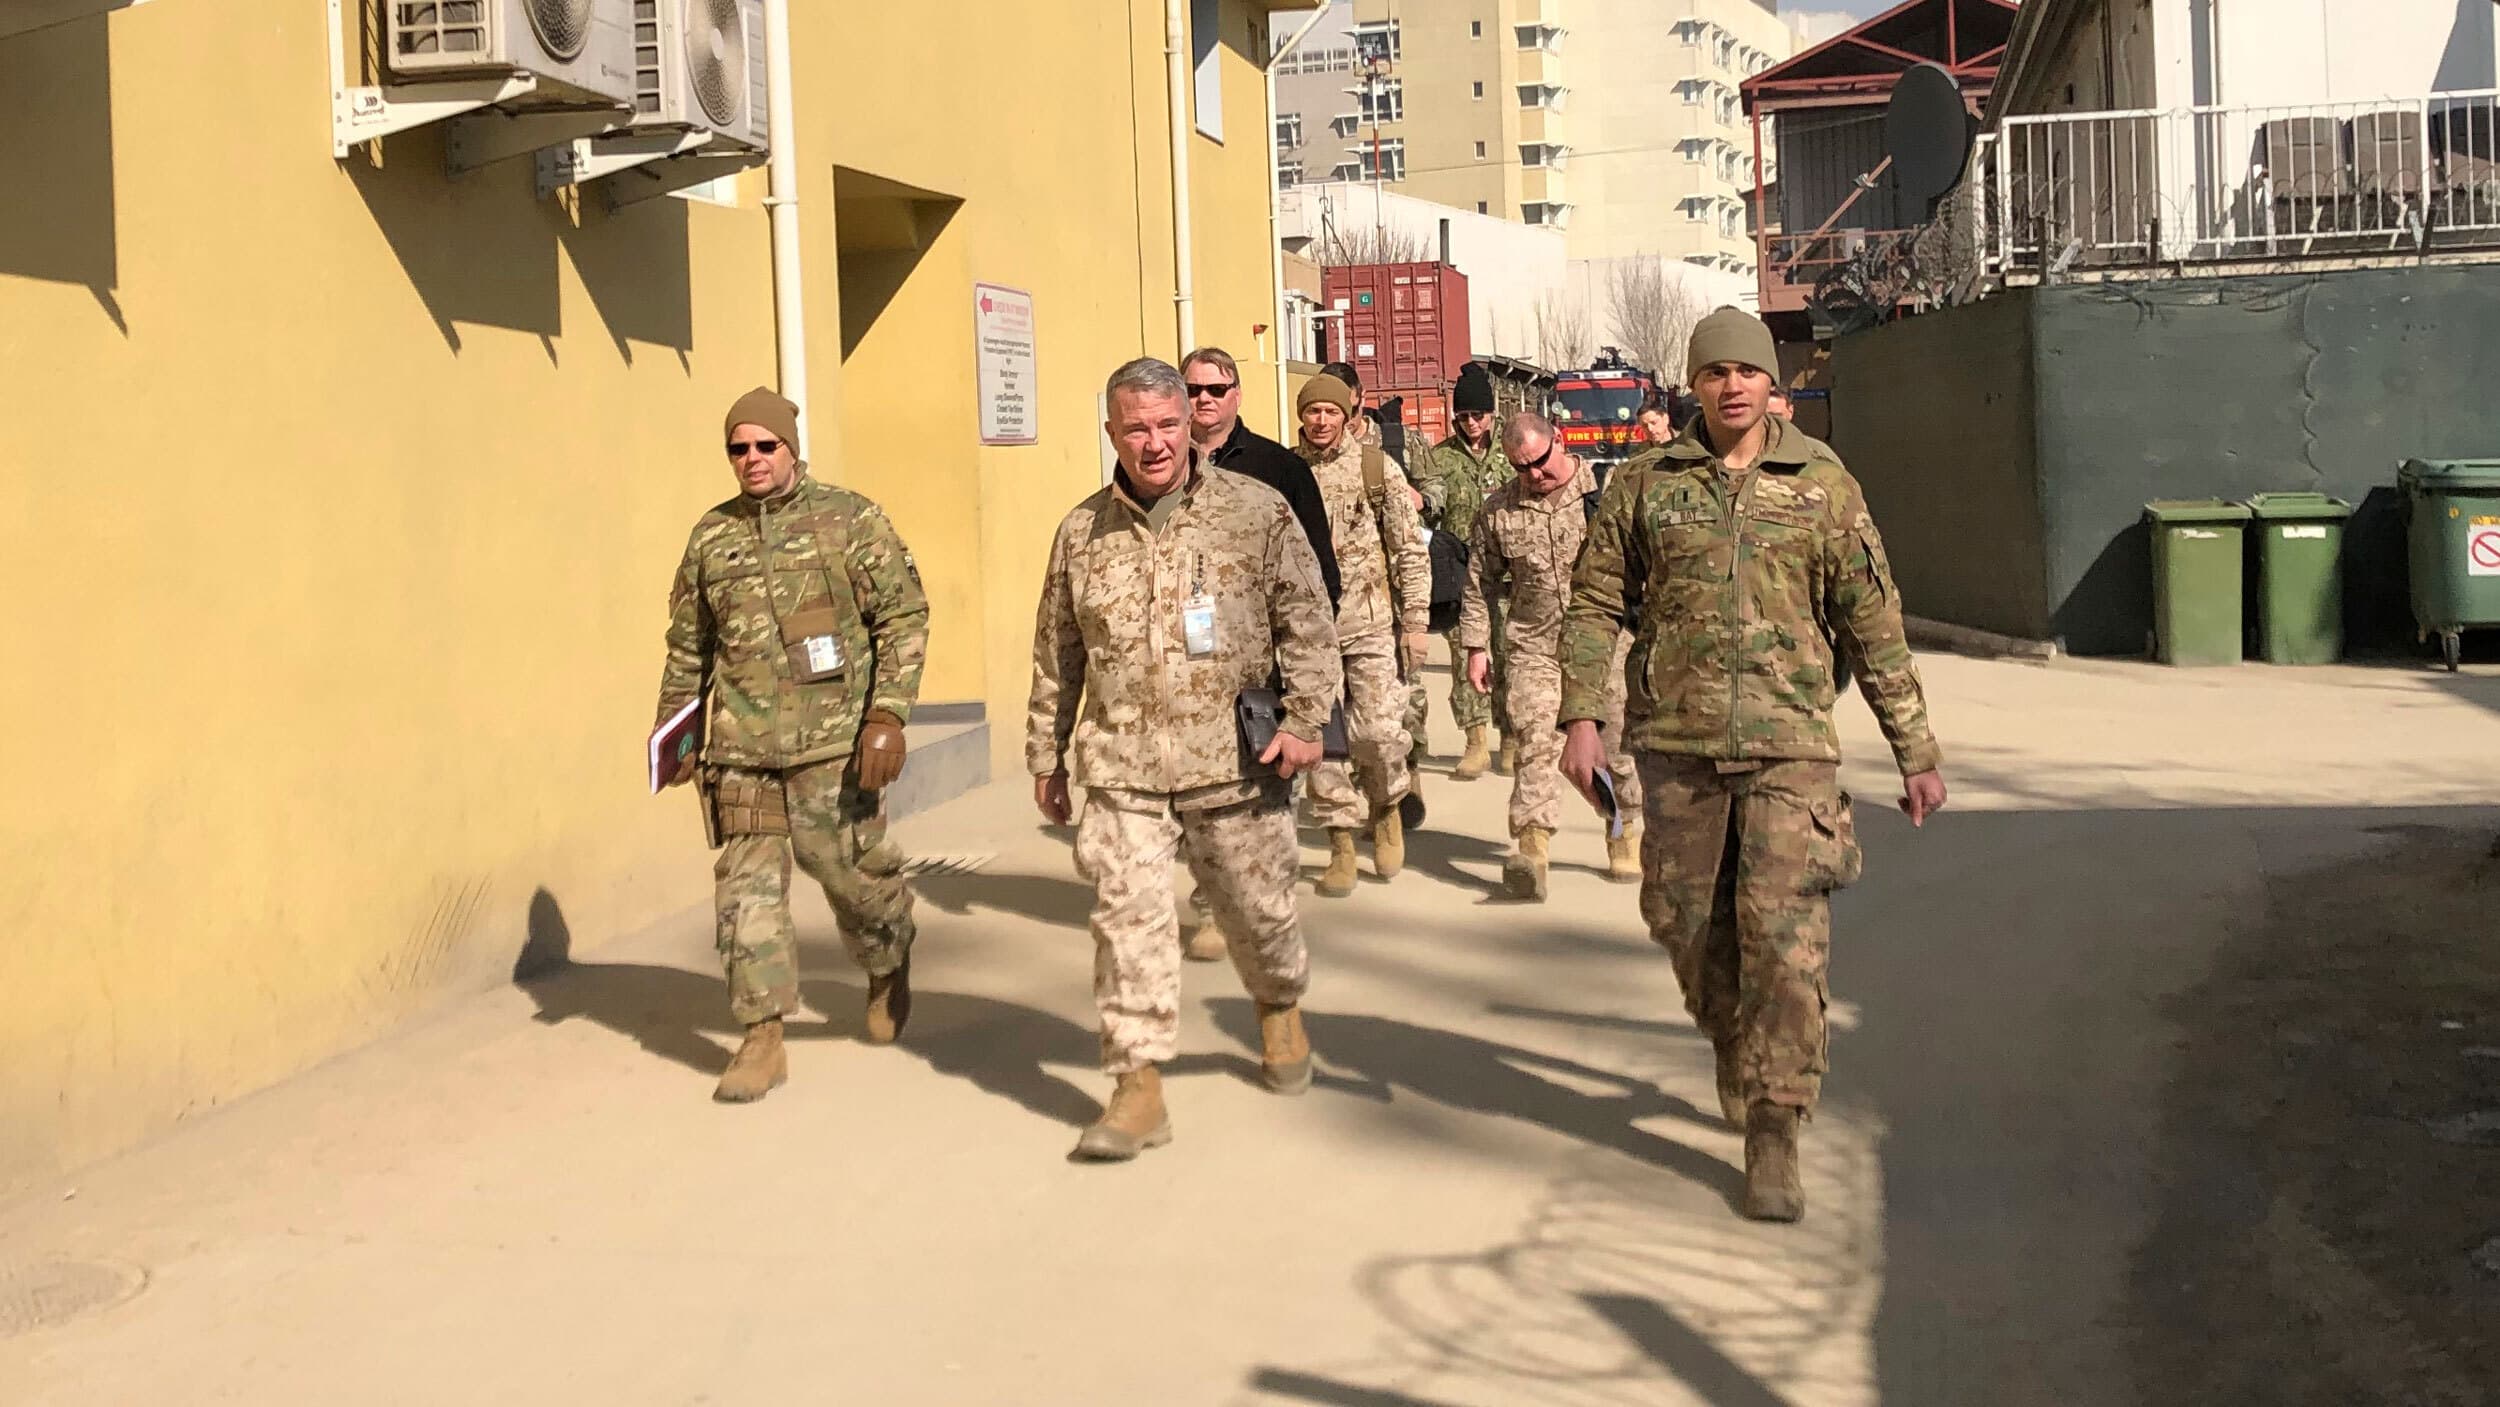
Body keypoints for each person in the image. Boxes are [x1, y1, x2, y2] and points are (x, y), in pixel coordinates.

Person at [1557, 308, 1948, 1224]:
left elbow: (1872, 621)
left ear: (1774, 383)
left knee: (1782, 936)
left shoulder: (1823, 485)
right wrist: (1581, 715)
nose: (1732, 385)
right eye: (1714, 371)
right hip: (1678, 743)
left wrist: (1915, 749)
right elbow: (1594, 599)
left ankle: (1775, 1123)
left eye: (1747, 370)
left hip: (1791, 746)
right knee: (1686, 924)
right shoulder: (1647, 485)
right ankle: (1735, 1045)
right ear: (1692, 386)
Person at [1027, 357, 1342, 1162]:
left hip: (1235, 761)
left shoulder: (1255, 511)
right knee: (1127, 920)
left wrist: (1308, 718)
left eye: (1168, 423)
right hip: (1122, 763)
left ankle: (1277, 1005)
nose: (1155, 441)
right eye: (1136, 427)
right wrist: (1046, 754)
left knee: (1258, 910)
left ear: (1189, 425)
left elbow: (1306, 617)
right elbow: (1057, 653)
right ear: (1112, 433)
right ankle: (1137, 1085)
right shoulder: (1081, 533)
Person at [654, 386, 931, 1104]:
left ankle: (887, 958)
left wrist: (889, 717)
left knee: (850, 876)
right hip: (741, 752)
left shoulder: (849, 520)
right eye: (738, 448)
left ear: (789, 446)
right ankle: (761, 1035)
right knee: (745, 894)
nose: (751, 459)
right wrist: (678, 730)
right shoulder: (711, 537)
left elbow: (903, 616)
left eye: (763, 446)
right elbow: (688, 645)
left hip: (834, 748)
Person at [1176, 345, 1342, 963]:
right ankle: (1212, 907)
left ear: (1237, 395)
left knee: (1264, 796)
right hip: (1190, 667)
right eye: (1192, 390)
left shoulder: (1278, 468)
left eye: (1215, 390)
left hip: (1263, 667)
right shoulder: (1163, 467)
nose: (1204, 401)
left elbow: (1319, 573)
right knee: (1199, 793)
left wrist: (1307, 669)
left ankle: (1265, 906)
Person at [1459, 412, 1642, 900]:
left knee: (1618, 745)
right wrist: (1476, 647)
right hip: (1534, 646)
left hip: (1607, 643)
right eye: (1523, 468)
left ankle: (1624, 829)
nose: (1535, 475)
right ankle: (1532, 849)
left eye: (1541, 462)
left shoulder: (1607, 494)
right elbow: (1478, 582)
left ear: (1559, 441)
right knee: (1537, 740)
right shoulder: (1499, 510)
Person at [1295, 373, 1431, 895]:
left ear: (1347, 414)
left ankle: (1388, 805)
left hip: (1370, 623)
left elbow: (1408, 551)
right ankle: (1341, 844)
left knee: (1376, 731)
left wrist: (1414, 623)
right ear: (1303, 417)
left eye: (1330, 412)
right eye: (1313, 412)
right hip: (1309, 632)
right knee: (1324, 742)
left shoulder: (1377, 469)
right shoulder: (1289, 473)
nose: (1322, 421)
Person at [1415, 363, 1509, 782]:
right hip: (1463, 575)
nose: (1471, 424)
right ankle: (1474, 742)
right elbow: (1432, 508)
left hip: (1510, 575)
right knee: (1463, 659)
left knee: (1510, 659)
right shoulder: (1441, 458)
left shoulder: (1511, 449)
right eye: (1464, 416)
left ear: (1492, 414)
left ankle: (1511, 738)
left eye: (1479, 415)